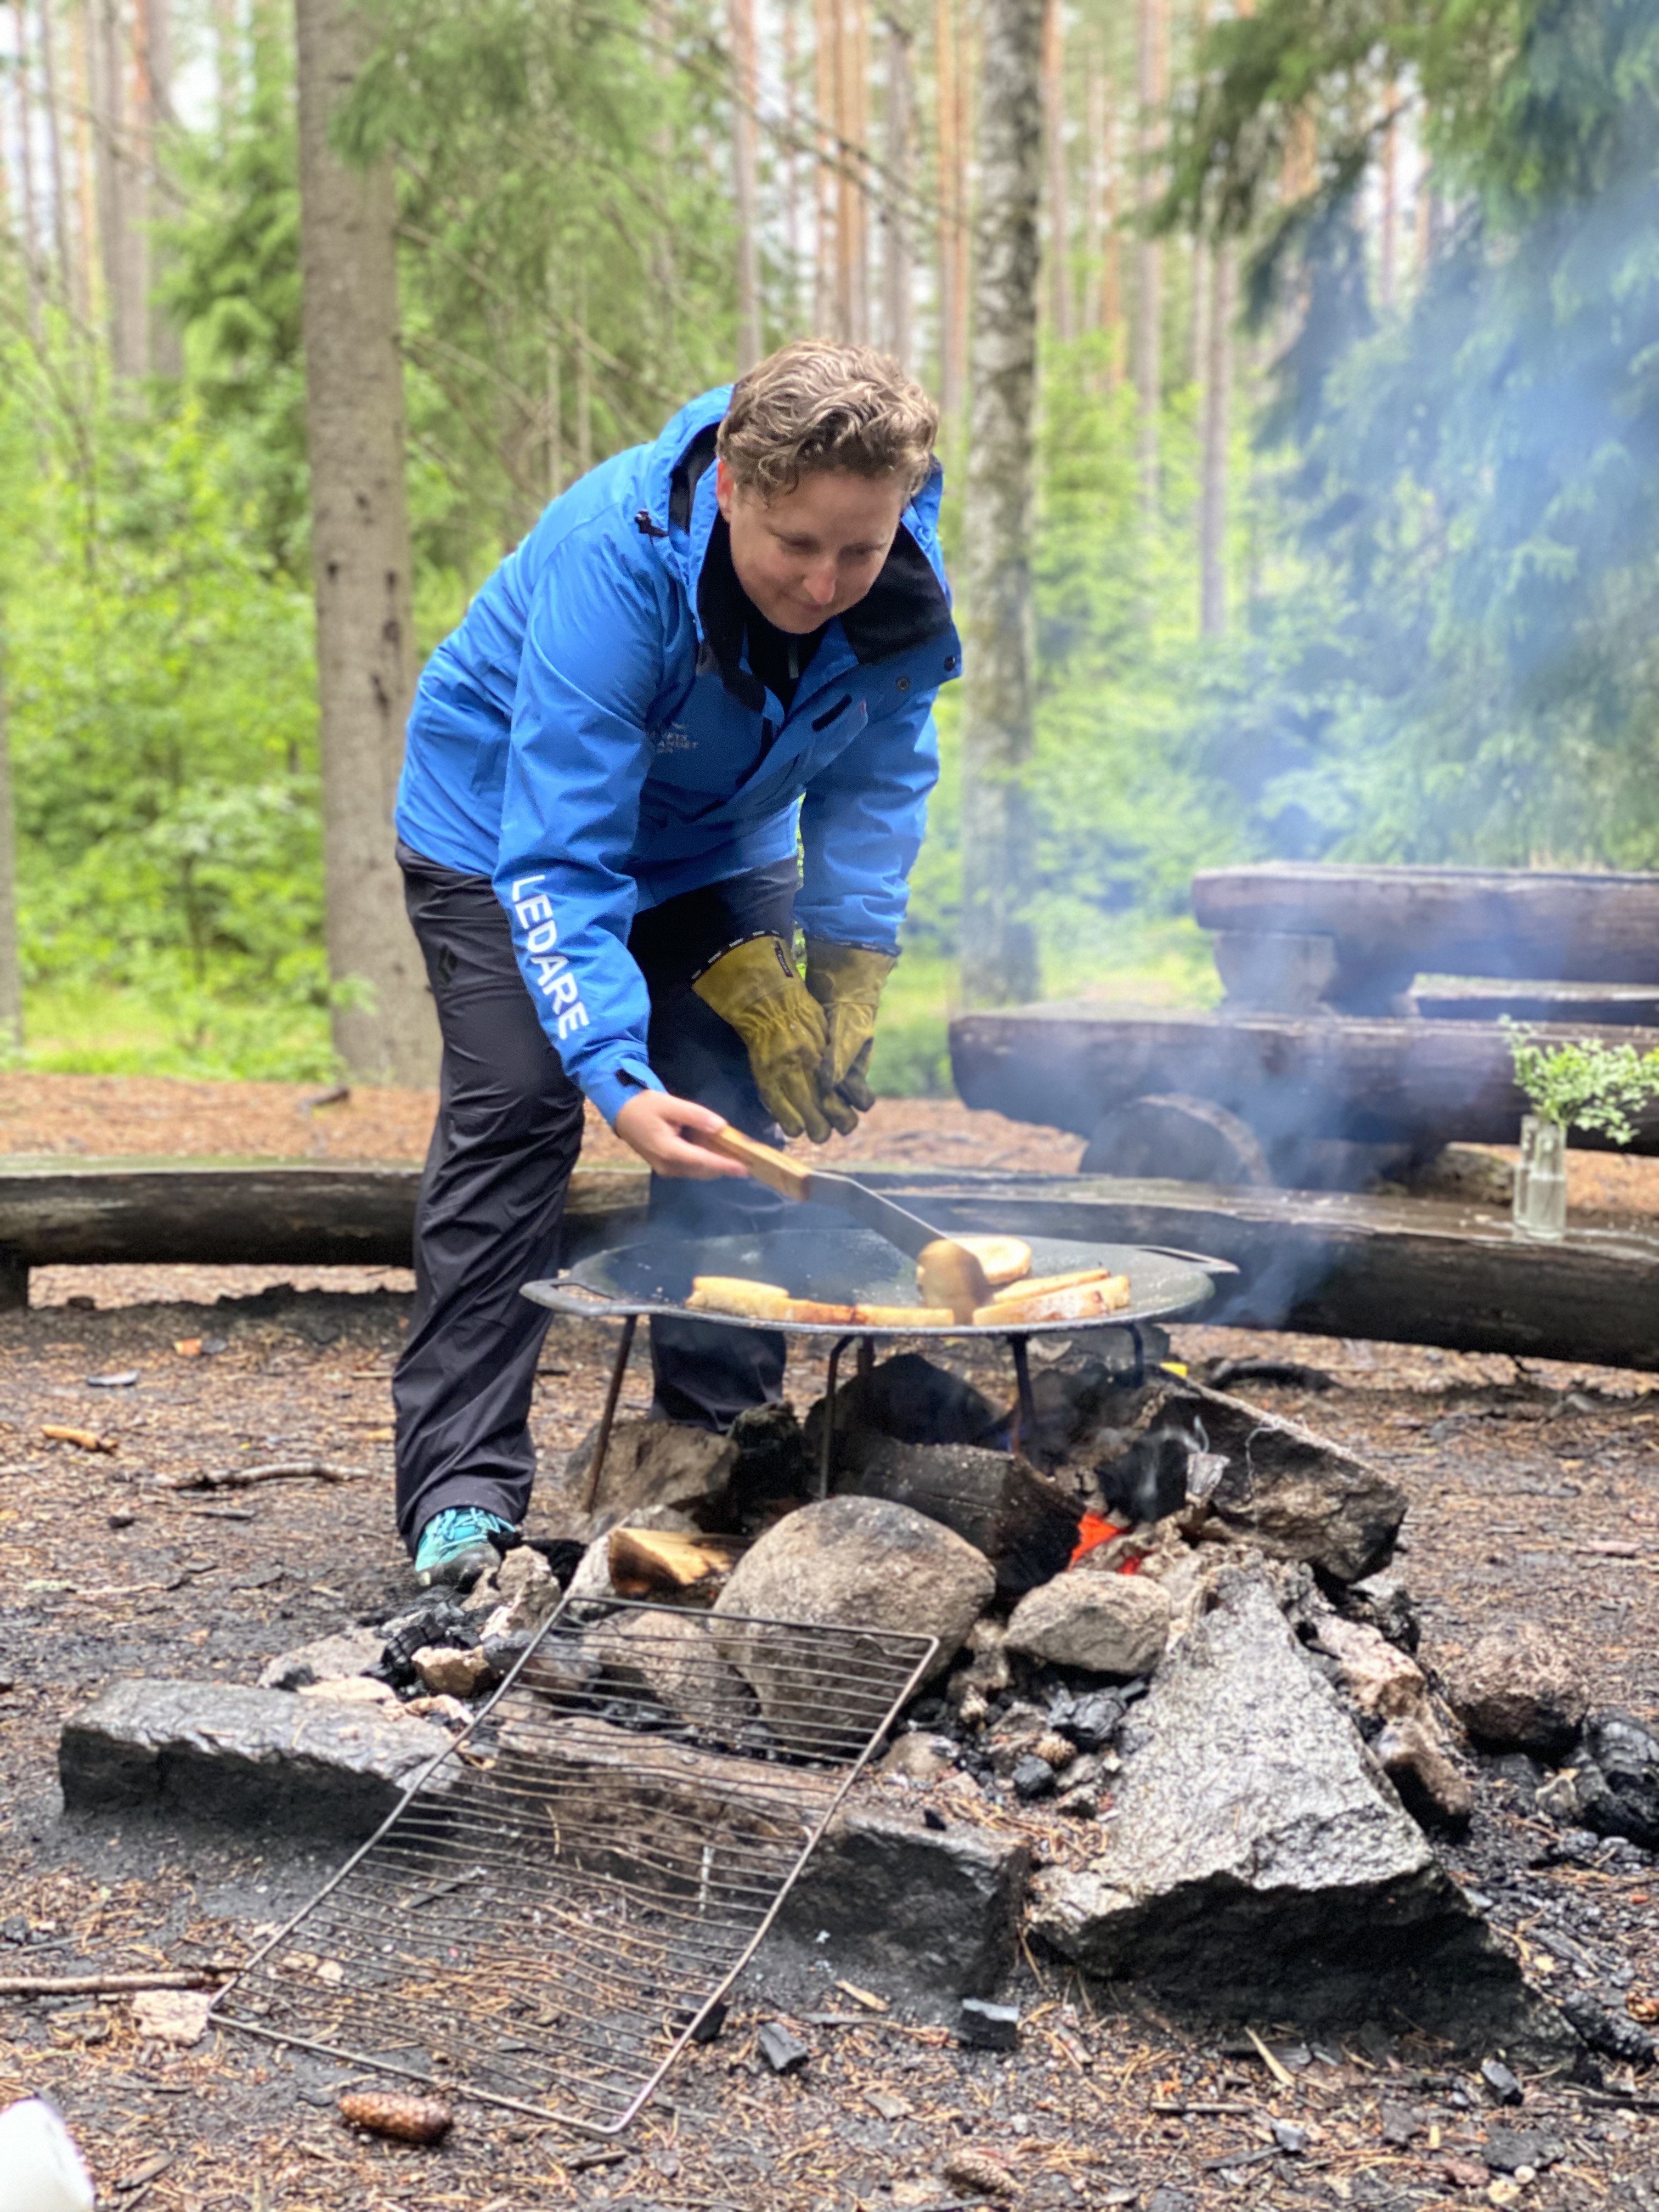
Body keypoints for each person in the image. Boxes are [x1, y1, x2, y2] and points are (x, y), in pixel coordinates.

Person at [391, 340, 960, 1588]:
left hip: (712, 840)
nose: (825, 584)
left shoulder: (896, 571)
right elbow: (563, 853)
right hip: (500, 834)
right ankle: (462, 1495)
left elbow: (878, 779)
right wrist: (612, 1067)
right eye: (795, 546)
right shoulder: (615, 565)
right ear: (733, 491)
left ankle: (719, 1454)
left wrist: (850, 954)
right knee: (521, 1110)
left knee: (739, 1104)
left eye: (858, 549)